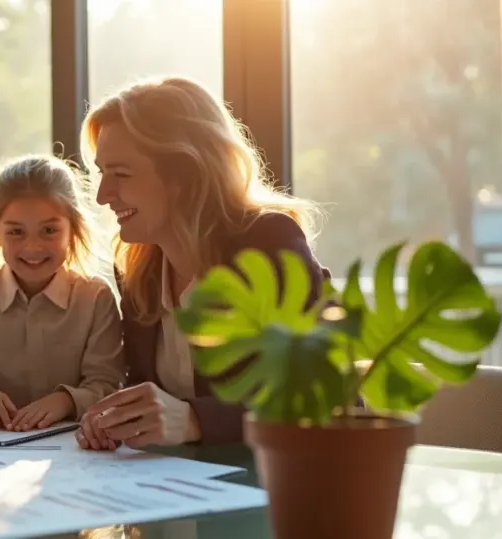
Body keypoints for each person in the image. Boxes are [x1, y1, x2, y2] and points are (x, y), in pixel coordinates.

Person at [74, 76, 329, 451]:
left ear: (185, 175)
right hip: (183, 488)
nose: (102, 195)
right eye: (101, 173)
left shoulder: (269, 242)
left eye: (121, 174)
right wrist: (117, 417)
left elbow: (325, 391)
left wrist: (195, 419)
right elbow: (153, 390)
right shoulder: (136, 270)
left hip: (278, 489)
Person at [0, 155, 126, 431]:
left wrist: (65, 401)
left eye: (49, 230)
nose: (33, 247)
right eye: (16, 232)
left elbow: (107, 384)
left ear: (73, 229)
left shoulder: (95, 297)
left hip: (74, 447)